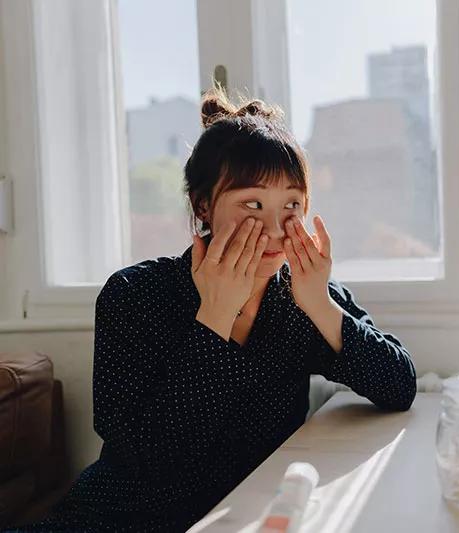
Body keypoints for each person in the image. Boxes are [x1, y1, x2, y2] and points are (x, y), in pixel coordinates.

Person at [5, 89, 416, 532]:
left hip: (242, 517)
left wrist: (319, 303)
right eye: (253, 205)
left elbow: (400, 386)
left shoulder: (302, 300)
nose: (276, 230)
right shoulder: (134, 295)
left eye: (291, 206)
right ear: (204, 206)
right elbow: (150, 459)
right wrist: (216, 317)